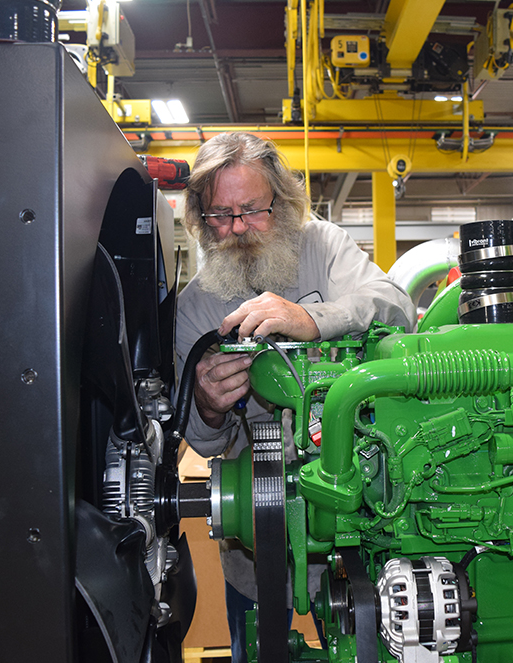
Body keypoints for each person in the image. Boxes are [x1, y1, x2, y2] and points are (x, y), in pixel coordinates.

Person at [174, 132, 416, 661]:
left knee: (376, 643)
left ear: (281, 202)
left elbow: (397, 307)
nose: (237, 228)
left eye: (252, 210)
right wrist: (210, 404)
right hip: (259, 536)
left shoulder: (323, 247)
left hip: (360, 511)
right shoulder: (194, 309)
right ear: (200, 217)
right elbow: (201, 442)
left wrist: (313, 319)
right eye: (220, 215)